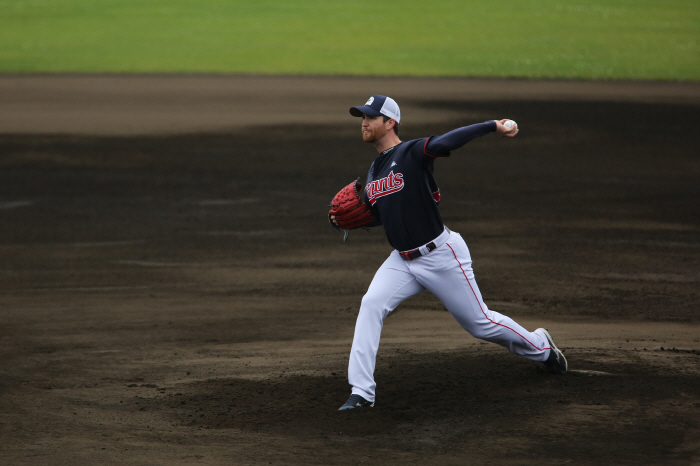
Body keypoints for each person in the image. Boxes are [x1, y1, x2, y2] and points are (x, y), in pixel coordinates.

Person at [333, 95, 567, 411]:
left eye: (371, 117)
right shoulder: (375, 170)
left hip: (440, 255)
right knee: (371, 304)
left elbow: (447, 141)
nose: (364, 122)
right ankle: (361, 393)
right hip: (401, 261)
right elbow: (382, 213)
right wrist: (349, 219)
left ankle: (541, 346)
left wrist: (491, 125)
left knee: (480, 323)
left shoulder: (412, 152)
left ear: (390, 123)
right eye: (362, 116)